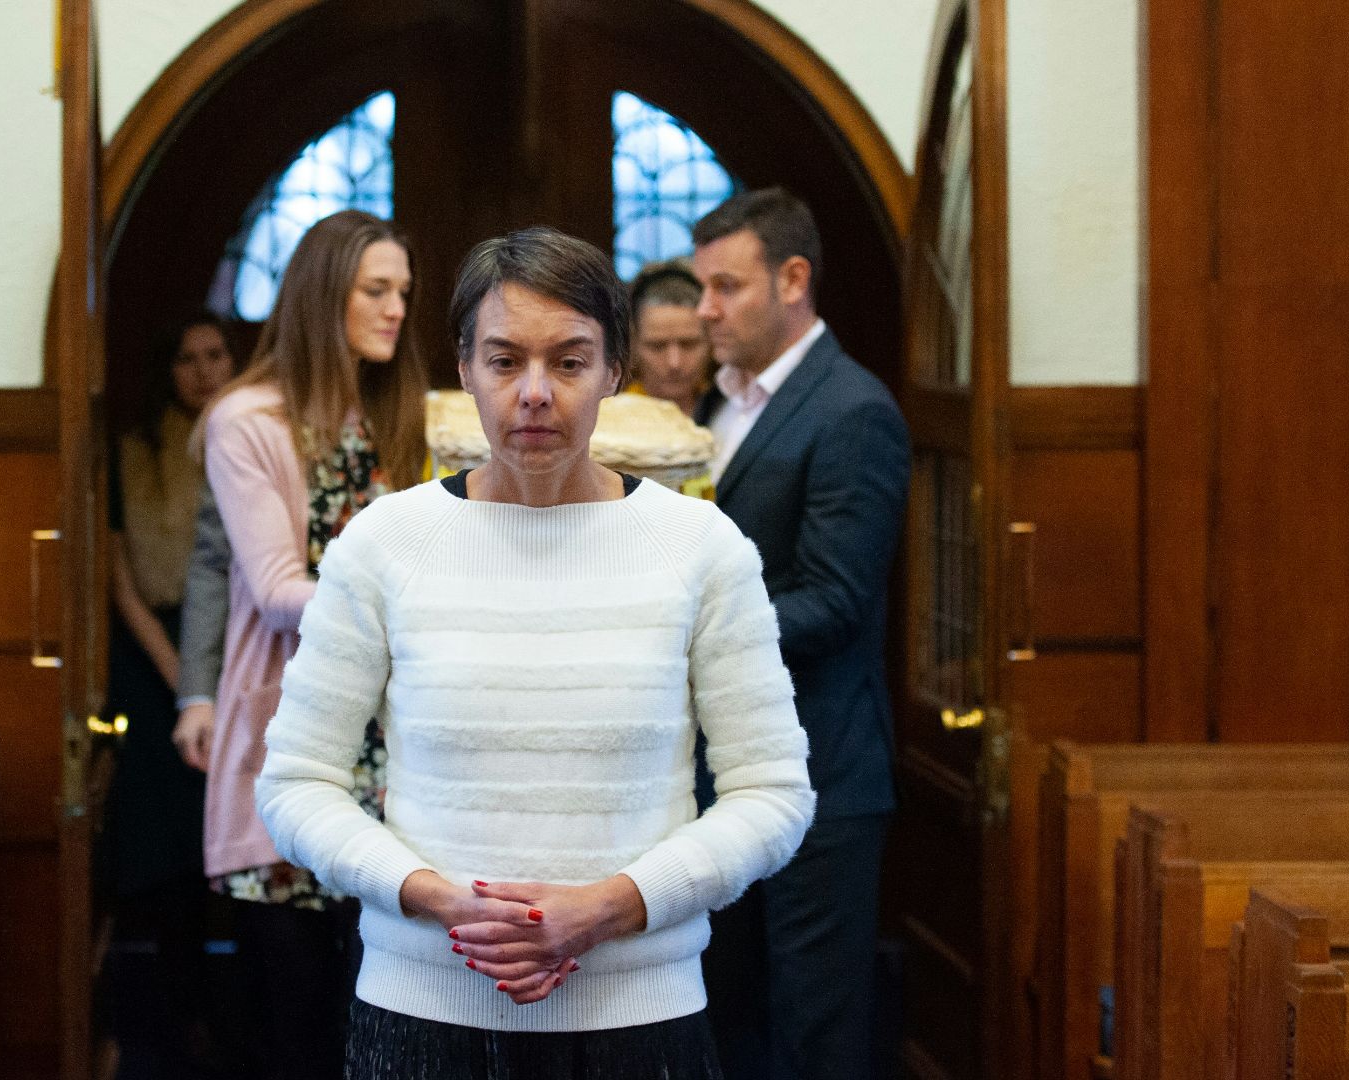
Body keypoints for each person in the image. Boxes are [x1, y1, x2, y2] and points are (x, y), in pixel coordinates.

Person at [255, 226, 815, 1080]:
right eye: (505, 360)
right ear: (465, 368)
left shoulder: (700, 547)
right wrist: (436, 900)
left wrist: (616, 906)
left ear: (614, 371)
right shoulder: (385, 544)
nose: (535, 394)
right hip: (422, 1004)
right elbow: (295, 783)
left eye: (569, 361)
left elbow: (773, 794)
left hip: (641, 1009)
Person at [176, 209, 427, 1080]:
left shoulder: (396, 414)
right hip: (294, 728)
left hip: (393, 752)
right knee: (297, 1023)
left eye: (403, 292)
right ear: (325, 295)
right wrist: (430, 608)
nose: (397, 309)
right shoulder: (247, 419)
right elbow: (279, 590)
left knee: (386, 1020)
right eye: (376, 290)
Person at [688, 188, 912, 1080]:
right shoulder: (724, 403)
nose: (705, 307)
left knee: (813, 1035)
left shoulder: (852, 410)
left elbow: (834, 602)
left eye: (725, 287)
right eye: (705, 286)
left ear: (792, 280)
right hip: (734, 768)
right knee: (729, 1017)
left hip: (823, 772)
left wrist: (684, 631)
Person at [97, 312, 240, 1073]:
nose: (204, 371)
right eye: (187, 358)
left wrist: (207, 675)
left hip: (226, 654)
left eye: (216, 355)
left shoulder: (238, 439)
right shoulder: (133, 451)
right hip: (151, 653)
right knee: (162, 851)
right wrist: (182, 677)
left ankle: (221, 1022)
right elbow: (119, 578)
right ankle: (159, 1030)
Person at [625, 258, 714, 416]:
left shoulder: (733, 410)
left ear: (711, 341)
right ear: (633, 345)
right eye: (657, 346)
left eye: (689, 344)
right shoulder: (608, 423)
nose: (674, 363)